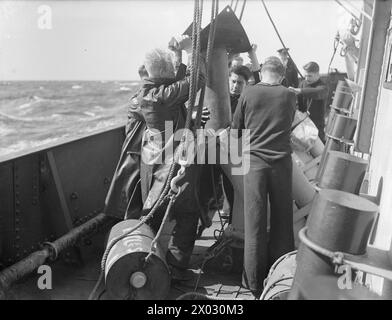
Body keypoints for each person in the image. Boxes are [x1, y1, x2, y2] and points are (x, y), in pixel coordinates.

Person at [232, 57, 296, 297]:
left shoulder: (248, 92)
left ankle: (254, 284)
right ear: (280, 76)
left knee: (255, 224)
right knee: (282, 222)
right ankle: (280, 279)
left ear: (262, 74)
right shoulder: (289, 95)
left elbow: (236, 130)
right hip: (281, 165)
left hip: (255, 165)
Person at [289, 61, 328, 143]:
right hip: (303, 126)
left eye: (310, 76)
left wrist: (300, 91)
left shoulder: (323, 87)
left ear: (318, 74)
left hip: (317, 126)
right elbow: (298, 104)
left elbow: (317, 92)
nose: (307, 78)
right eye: (305, 75)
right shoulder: (302, 84)